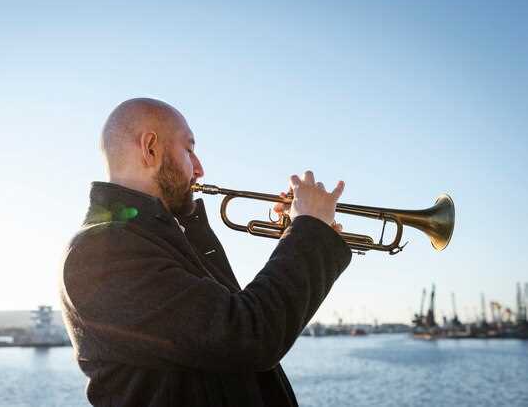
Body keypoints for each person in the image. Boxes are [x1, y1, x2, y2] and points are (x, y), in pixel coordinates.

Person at [60, 98, 352, 407]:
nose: (199, 168)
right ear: (150, 148)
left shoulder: (154, 237)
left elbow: (233, 313)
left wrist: (299, 229)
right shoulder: (100, 253)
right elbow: (247, 335)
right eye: (189, 150)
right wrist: (309, 232)